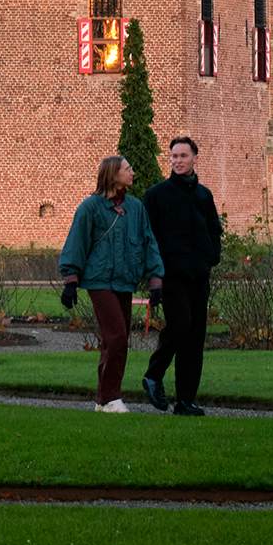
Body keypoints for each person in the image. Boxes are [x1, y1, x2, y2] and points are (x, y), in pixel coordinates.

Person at [57, 154, 165, 412]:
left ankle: (101, 400)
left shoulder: (136, 208)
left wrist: (156, 280)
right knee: (116, 337)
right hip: (99, 280)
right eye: (128, 169)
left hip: (124, 281)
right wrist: (71, 279)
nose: (133, 173)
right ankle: (111, 397)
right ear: (113, 174)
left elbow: (149, 242)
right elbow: (76, 242)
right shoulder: (90, 208)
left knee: (115, 340)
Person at [140, 135, 224, 415]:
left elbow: (214, 229)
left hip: (199, 275)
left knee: (195, 336)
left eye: (183, 156)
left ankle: (186, 400)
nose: (177, 161)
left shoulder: (204, 195)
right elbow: (148, 238)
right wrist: (154, 275)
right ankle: (153, 374)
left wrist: (212, 256)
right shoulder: (156, 195)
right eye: (174, 156)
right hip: (170, 275)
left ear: (194, 158)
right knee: (180, 325)